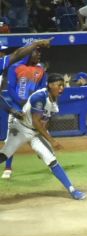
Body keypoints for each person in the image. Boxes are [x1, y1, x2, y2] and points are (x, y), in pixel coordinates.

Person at [0, 73, 86, 200]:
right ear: (50, 85)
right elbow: (36, 121)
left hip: (34, 133)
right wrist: (52, 141)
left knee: (51, 159)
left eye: (63, 85)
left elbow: (44, 122)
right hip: (20, 128)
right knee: (4, 155)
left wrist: (45, 143)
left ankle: (72, 190)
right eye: (59, 85)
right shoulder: (40, 97)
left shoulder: (54, 101)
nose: (62, 88)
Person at [1, 48, 47, 179]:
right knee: (11, 139)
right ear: (28, 53)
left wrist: (34, 104)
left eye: (40, 52)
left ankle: (48, 158)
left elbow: (42, 90)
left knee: (40, 135)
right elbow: (10, 89)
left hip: (32, 111)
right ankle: (8, 167)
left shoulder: (41, 70)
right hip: (17, 110)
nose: (39, 55)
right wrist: (21, 102)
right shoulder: (15, 67)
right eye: (36, 52)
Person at [0, 38, 53, 119]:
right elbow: (17, 54)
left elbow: (42, 88)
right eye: (1, 51)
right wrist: (37, 43)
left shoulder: (41, 69)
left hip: (32, 108)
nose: (3, 54)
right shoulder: (15, 67)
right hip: (19, 106)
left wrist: (12, 111)